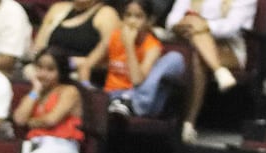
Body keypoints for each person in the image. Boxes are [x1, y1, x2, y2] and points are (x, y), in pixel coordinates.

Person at [163, 0, 256, 144]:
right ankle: (218, 70)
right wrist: (192, 24)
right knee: (197, 50)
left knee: (199, 54)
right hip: (187, 41)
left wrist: (204, 26)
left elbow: (230, 27)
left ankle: (188, 121)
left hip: (228, 47)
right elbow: (171, 21)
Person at [104, 0, 186, 118]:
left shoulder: (152, 46)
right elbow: (90, 63)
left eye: (138, 17)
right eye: (128, 15)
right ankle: (125, 103)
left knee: (175, 58)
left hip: (139, 98)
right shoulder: (115, 36)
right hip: (113, 95)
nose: (132, 21)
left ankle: (132, 103)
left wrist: (129, 46)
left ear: (149, 21)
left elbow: (137, 80)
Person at [31, 0, 120, 84]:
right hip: (49, 75)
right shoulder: (57, 9)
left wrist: (76, 63)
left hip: (86, 79)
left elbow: (114, 59)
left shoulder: (107, 14)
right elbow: (38, 48)